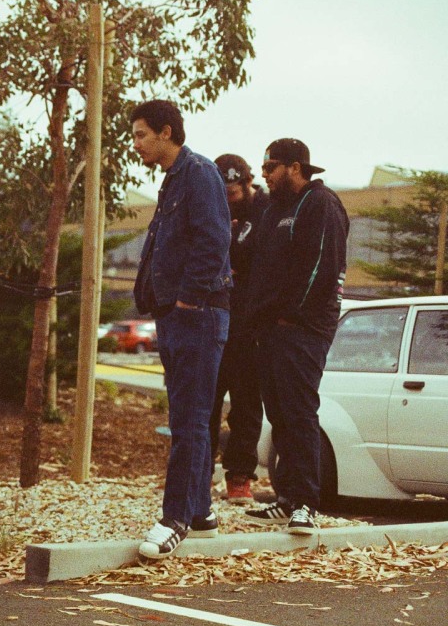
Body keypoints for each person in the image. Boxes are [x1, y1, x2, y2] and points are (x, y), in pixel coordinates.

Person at [129, 100, 232, 560]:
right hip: (178, 314)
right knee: (190, 416)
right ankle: (201, 512)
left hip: (199, 313)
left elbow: (215, 239)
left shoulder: (199, 173)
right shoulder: (173, 180)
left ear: (166, 132)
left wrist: (190, 297)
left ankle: (175, 520)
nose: (136, 144)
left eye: (141, 135)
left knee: (188, 421)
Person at [243, 139, 348, 534]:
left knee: (300, 413)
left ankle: (306, 502)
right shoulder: (274, 209)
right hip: (270, 329)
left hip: (303, 331)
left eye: (271, 167)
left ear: (295, 167)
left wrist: (290, 317)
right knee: (280, 415)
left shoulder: (321, 204)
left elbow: (323, 266)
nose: (265, 175)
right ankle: (286, 498)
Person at [209, 154, 269, 504]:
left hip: (248, 326)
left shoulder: (266, 211)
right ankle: (198, 475)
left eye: (234, 192)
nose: (229, 198)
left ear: (247, 184)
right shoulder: (209, 208)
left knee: (247, 405)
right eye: (224, 192)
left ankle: (240, 478)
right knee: (206, 404)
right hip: (213, 321)